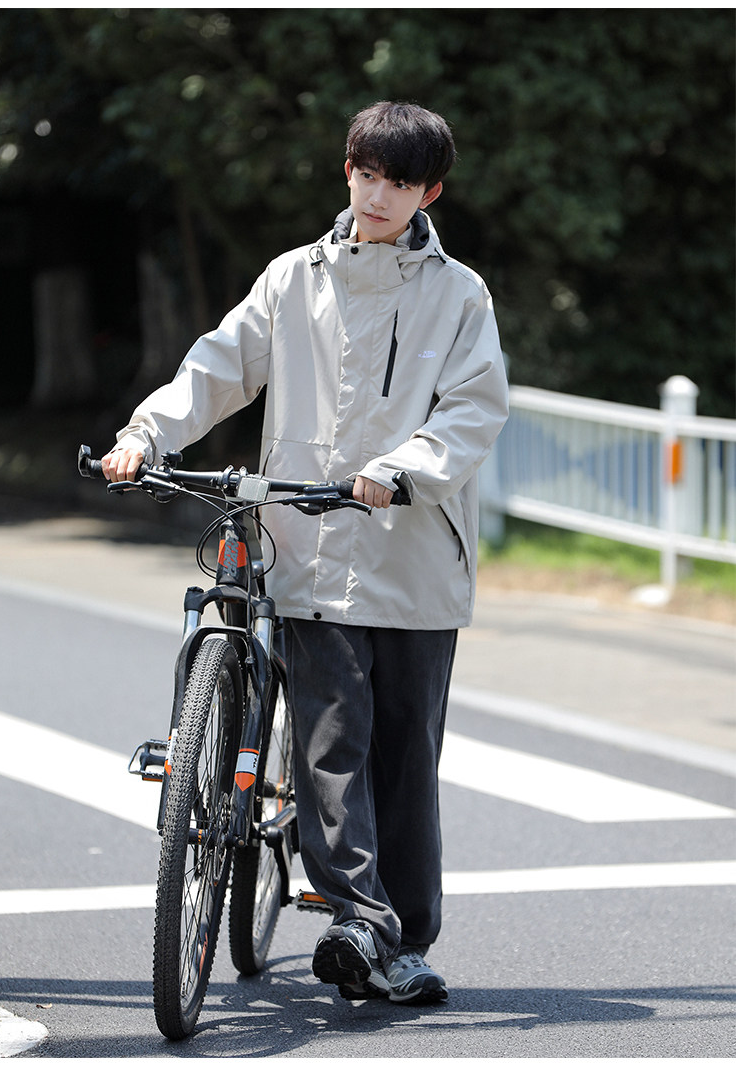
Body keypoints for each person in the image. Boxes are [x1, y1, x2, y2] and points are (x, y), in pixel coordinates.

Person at [103, 101, 509, 1005]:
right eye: (367, 173)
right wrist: (146, 434)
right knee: (331, 742)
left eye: (399, 182)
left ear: (429, 193)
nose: (378, 194)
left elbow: (474, 409)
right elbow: (220, 366)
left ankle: (404, 936)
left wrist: (402, 470)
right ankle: (359, 918)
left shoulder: (459, 294)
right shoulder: (293, 278)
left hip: (413, 557)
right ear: (346, 171)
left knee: (405, 758)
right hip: (309, 549)